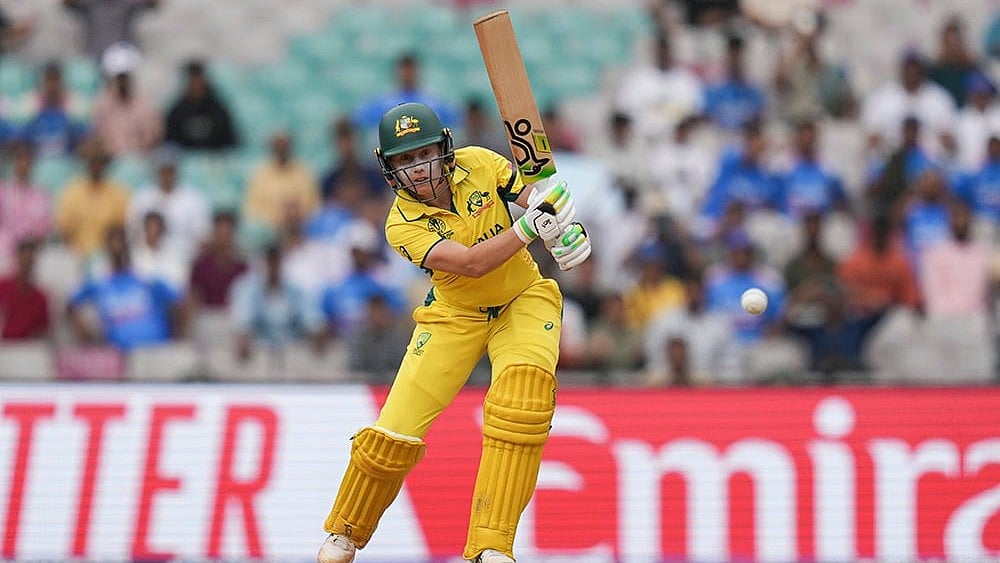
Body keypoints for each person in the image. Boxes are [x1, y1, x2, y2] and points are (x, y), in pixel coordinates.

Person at [316, 102, 591, 563]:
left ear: (444, 148)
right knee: (394, 432)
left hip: (524, 298)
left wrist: (564, 224)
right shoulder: (400, 224)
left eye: (422, 154)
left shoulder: (481, 162)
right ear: (388, 169)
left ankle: (491, 545)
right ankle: (347, 529)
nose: (417, 169)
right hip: (454, 312)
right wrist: (530, 228)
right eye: (404, 161)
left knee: (523, 400)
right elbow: (470, 263)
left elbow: (535, 199)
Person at [165, 59, 238, 151]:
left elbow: (229, 142)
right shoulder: (177, 112)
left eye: (199, 80)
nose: (196, 85)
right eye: (193, 81)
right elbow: (170, 143)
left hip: (214, 161)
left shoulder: (218, 110)